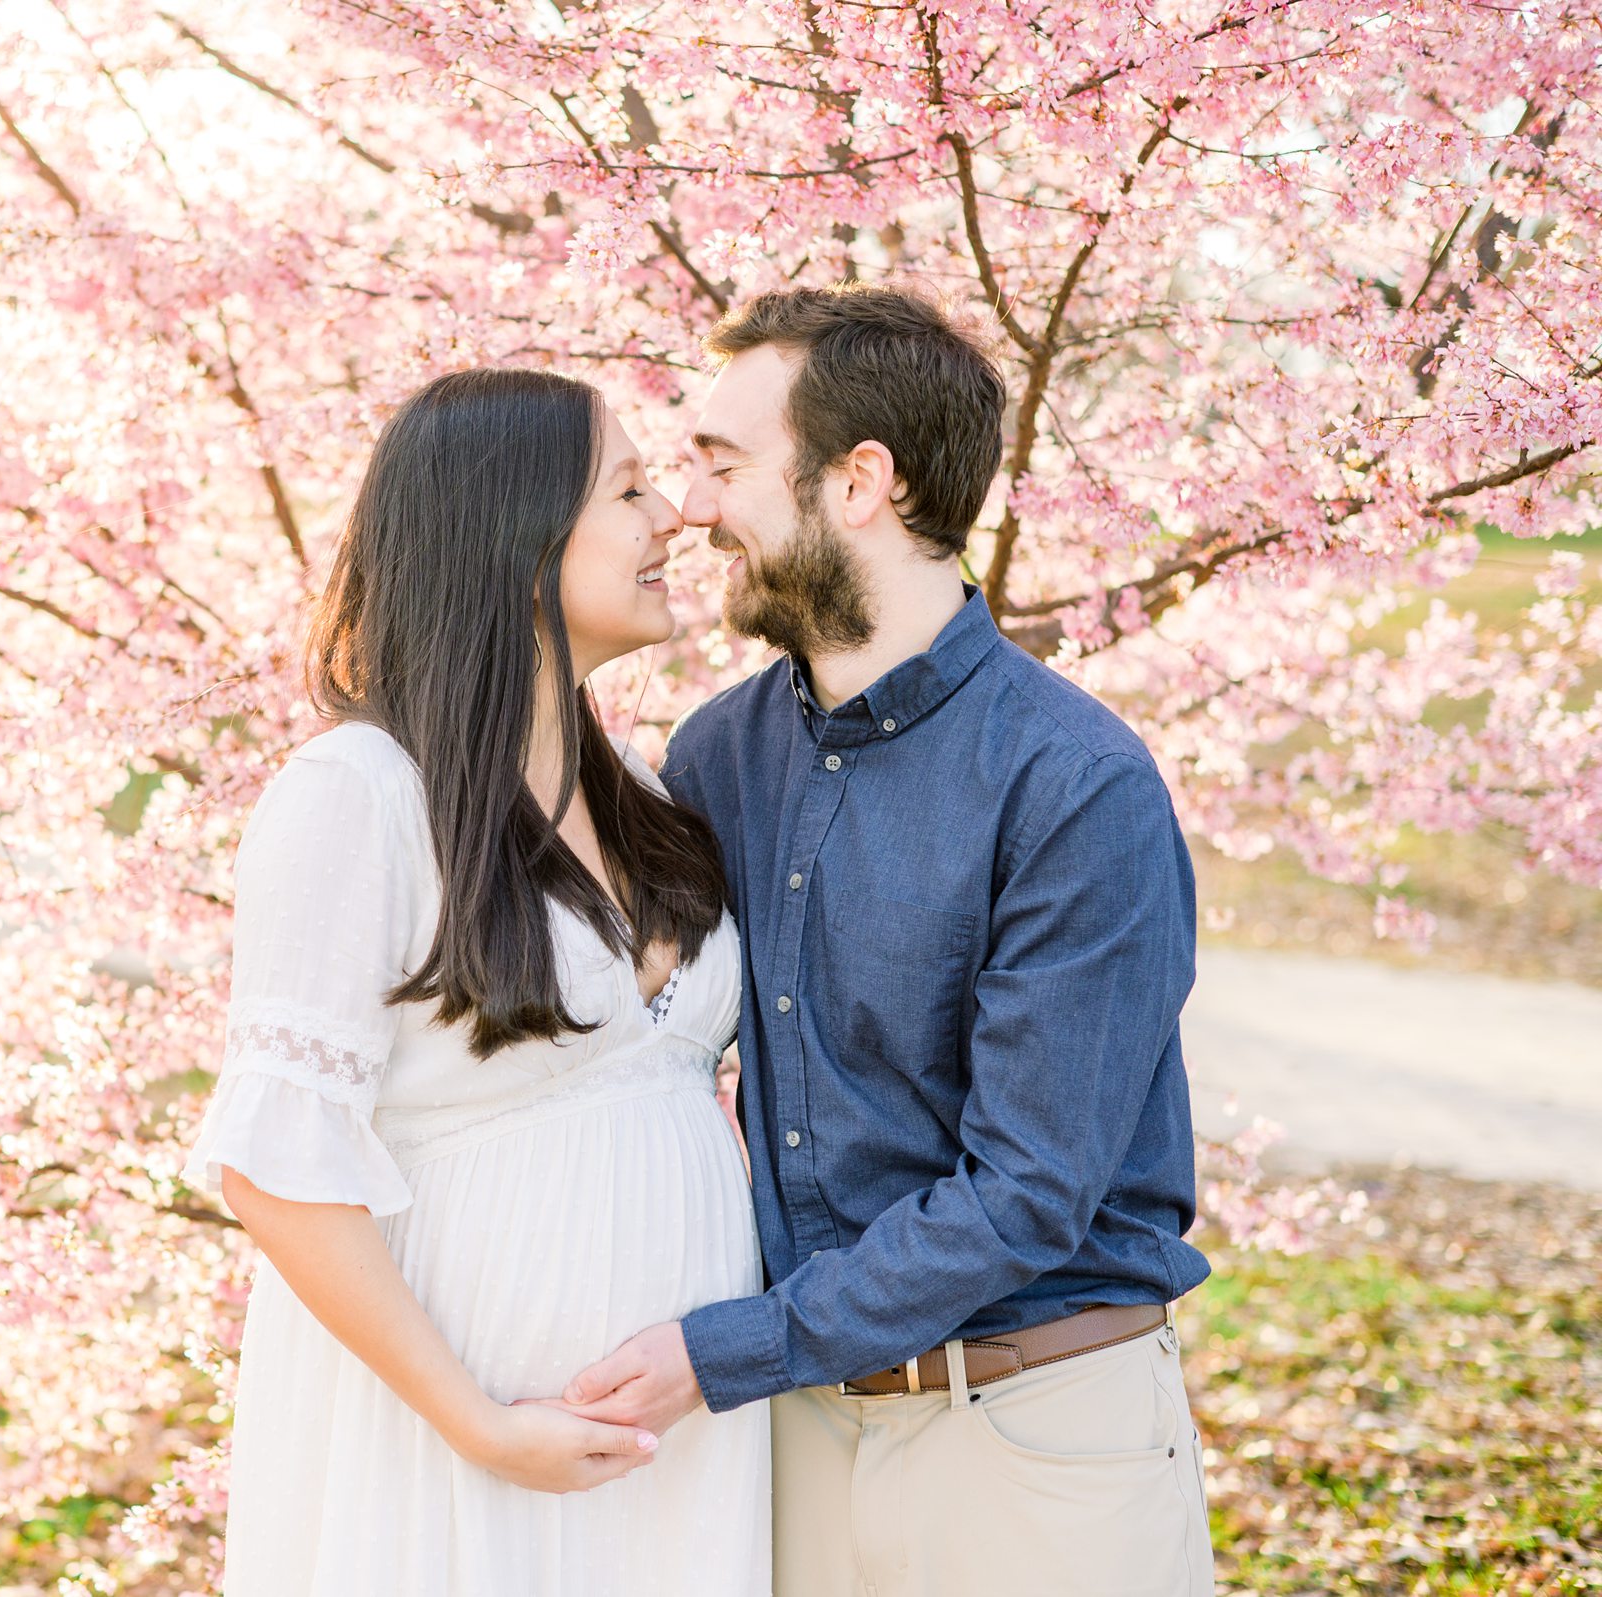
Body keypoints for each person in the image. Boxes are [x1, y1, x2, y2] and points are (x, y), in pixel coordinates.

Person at [555, 285, 1217, 1597]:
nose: (691, 511)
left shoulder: (1075, 783)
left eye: (725, 466)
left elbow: (1030, 1187)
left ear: (861, 482)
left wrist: (723, 1351)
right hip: (791, 1436)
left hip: (1035, 1436)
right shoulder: (719, 756)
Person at [181, 368, 771, 1596]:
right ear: (512, 534)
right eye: (628, 488)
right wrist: (480, 1424)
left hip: (676, 1438)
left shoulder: (655, 799)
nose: (674, 515)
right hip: (462, 1442)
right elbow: (277, 1169)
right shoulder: (359, 795)